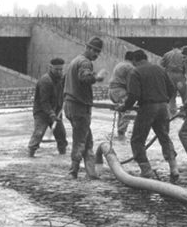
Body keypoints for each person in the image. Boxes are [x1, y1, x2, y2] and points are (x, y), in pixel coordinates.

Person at [118, 49, 180, 182]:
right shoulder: (160, 69)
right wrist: (164, 101)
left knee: (137, 140)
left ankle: (146, 171)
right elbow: (172, 89)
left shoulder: (135, 72)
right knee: (164, 136)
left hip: (147, 107)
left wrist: (125, 107)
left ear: (135, 60)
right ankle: (174, 167)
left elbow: (134, 95)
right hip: (163, 107)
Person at [63, 36, 105, 179]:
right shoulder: (85, 62)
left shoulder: (75, 60)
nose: (96, 55)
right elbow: (85, 78)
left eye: (98, 52)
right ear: (88, 48)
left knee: (87, 140)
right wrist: (97, 78)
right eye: (95, 51)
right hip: (79, 106)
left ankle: (91, 173)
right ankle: (73, 171)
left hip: (70, 104)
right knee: (80, 140)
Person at [27, 57, 67, 157]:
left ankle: (62, 154)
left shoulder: (61, 79)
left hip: (56, 111)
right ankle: (31, 153)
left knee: (61, 134)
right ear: (50, 67)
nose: (59, 72)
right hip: (42, 112)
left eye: (61, 69)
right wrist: (51, 114)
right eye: (56, 69)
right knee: (39, 133)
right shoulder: (45, 81)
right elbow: (44, 101)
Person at [108, 51, 135, 140]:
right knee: (127, 109)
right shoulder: (130, 67)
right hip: (119, 91)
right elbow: (130, 84)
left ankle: (119, 132)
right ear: (133, 59)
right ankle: (121, 134)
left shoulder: (119, 64)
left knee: (122, 110)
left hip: (111, 91)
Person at [160, 43, 187, 115]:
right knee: (185, 95)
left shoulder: (167, 54)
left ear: (172, 46)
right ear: (181, 47)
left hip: (169, 76)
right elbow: (186, 66)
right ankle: (186, 111)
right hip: (180, 76)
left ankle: (172, 113)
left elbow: (162, 65)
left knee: (171, 96)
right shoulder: (183, 55)